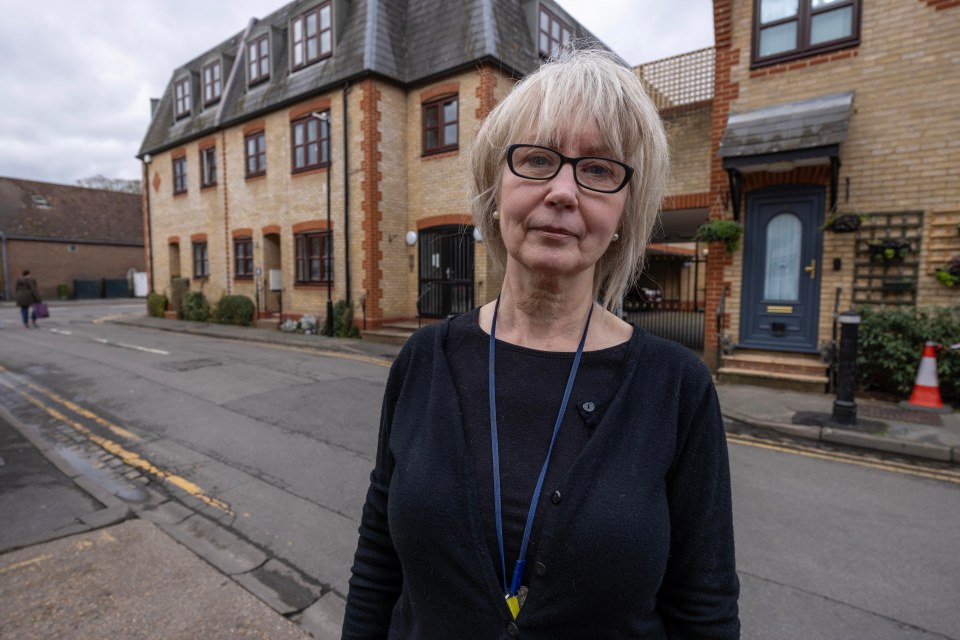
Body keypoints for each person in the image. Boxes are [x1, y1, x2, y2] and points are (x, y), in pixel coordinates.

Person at [342, 47, 739, 639]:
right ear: (494, 188)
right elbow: (379, 562)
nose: (562, 191)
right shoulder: (422, 362)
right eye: (536, 159)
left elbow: (703, 606)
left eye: (600, 170)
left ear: (625, 212)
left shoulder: (678, 389)